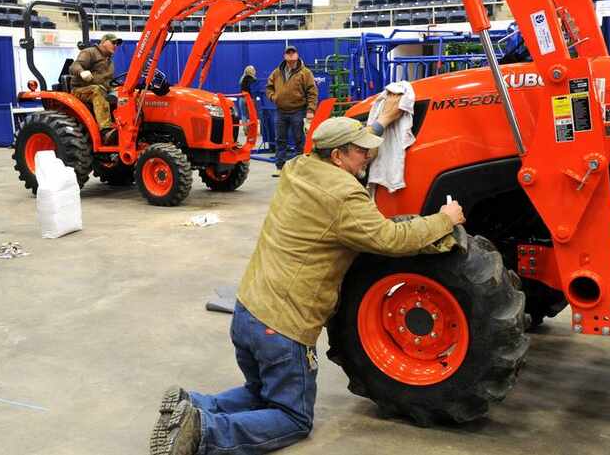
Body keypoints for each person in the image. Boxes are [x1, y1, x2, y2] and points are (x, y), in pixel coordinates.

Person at [149, 108, 467, 455]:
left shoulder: (297, 167)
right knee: (292, 417)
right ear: (337, 156)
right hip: (282, 330)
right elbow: (391, 239)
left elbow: (339, 146)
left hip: (248, 312)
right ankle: (204, 432)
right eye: (361, 150)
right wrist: (443, 220)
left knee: (261, 393)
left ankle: (189, 405)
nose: (368, 156)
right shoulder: (345, 196)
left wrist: (379, 123)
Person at [265, 46, 316, 176]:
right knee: (280, 140)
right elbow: (269, 87)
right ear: (284, 56)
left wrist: (310, 110)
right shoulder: (277, 72)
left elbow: (312, 92)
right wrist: (273, 97)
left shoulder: (305, 73)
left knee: (299, 140)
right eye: (288, 53)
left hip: (298, 111)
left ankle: (300, 168)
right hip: (281, 111)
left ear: (297, 55)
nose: (291, 55)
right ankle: (280, 167)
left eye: (293, 53)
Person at [69, 33, 122, 144]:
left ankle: (124, 126)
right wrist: (82, 72)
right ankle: (105, 131)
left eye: (117, 44)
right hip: (81, 89)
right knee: (97, 90)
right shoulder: (89, 52)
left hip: (103, 88)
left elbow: (107, 81)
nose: (115, 45)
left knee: (125, 93)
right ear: (104, 42)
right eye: (113, 42)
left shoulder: (109, 60)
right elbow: (74, 66)